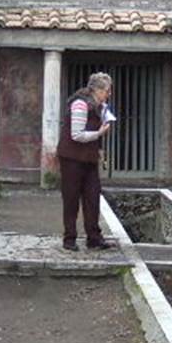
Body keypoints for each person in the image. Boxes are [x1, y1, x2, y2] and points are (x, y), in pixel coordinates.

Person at [56, 71, 115, 251]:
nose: (109, 94)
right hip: (72, 158)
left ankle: (94, 238)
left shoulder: (98, 106)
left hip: (88, 158)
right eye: (107, 91)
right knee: (71, 198)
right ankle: (69, 238)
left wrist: (98, 149)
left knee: (93, 197)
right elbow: (77, 134)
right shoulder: (80, 104)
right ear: (98, 90)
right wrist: (99, 133)